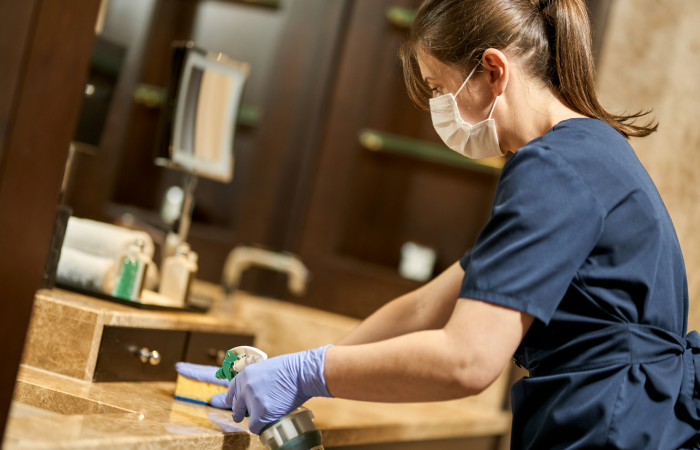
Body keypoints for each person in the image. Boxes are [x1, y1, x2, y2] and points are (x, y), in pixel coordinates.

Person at [177, 0, 700, 448]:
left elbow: (467, 360)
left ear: (494, 71)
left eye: (439, 87)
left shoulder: (551, 168)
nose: (437, 108)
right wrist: (301, 371)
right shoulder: (594, 151)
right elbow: (428, 304)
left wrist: (307, 373)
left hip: (611, 427)